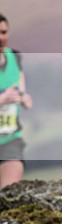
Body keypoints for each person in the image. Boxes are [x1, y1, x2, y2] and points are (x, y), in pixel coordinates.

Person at [0, 14, 33, 189]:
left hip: (9, 139)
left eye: (4, 32)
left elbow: (21, 90)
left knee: (9, 194)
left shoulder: (15, 58)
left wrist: (24, 100)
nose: (1, 37)